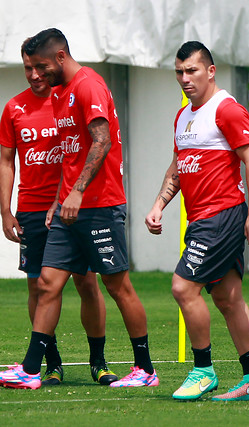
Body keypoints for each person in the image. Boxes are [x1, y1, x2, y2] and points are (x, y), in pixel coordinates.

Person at [0, 28, 156, 389]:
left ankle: (145, 370)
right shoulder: (60, 94)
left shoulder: (88, 85)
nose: (37, 74)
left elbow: (101, 141)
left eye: (41, 66)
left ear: (59, 57)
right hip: (66, 210)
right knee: (47, 284)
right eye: (30, 68)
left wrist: (77, 192)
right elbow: (71, 154)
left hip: (99, 205)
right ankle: (31, 369)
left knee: (117, 287)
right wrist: (59, 200)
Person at [145, 41, 249, 402]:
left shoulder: (226, 109)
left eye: (192, 71)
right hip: (201, 219)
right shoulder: (183, 115)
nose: (185, 79)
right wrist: (159, 204)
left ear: (210, 71)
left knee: (183, 288)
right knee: (229, 298)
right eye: (179, 72)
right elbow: (178, 166)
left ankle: (203, 371)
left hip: (223, 215)